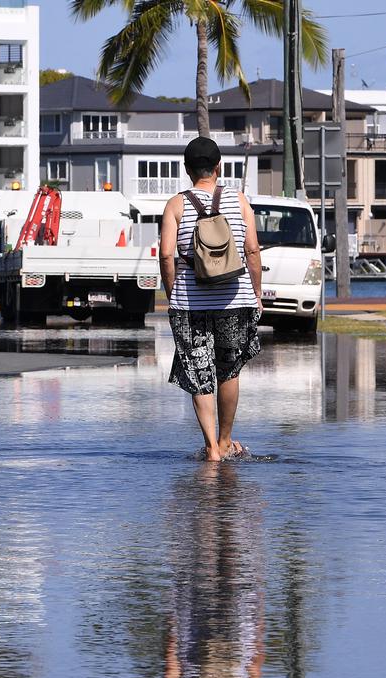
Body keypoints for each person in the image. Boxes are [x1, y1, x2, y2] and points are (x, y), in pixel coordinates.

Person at [159, 137, 264, 462]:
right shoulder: (239, 200)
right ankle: (225, 440)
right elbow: (252, 250)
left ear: (187, 169)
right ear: (219, 167)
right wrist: (257, 293)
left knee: (198, 372)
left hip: (191, 302)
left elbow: (166, 255)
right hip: (235, 298)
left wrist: (173, 291)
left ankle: (211, 449)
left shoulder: (176, 204)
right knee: (229, 371)